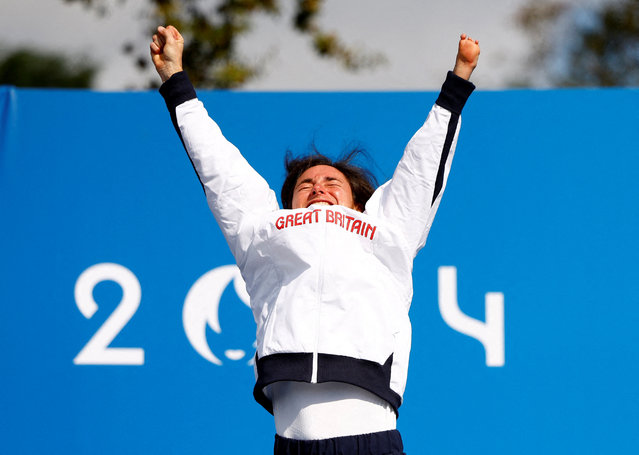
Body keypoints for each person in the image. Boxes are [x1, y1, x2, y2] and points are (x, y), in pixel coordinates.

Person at [151, 25, 479, 455]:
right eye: (306, 183)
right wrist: (176, 82)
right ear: (287, 204)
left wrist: (457, 83)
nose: (319, 187)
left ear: (358, 202)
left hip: (369, 439)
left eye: (332, 181)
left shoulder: (386, 230)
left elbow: (422, 170)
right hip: (290, 443)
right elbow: (219, 168)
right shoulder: (263, 232)